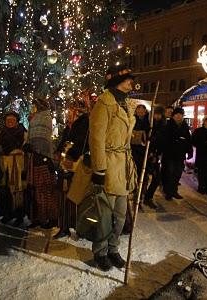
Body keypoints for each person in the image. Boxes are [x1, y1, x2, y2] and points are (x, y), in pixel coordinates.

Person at [89, 65, 136, 271]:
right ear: (117, 82)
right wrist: (99, 169)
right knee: (105, 215)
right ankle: (100, 251)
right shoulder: (104, 104)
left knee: (120, 214)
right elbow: (96, 139)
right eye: (127, 80)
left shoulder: (126, 103)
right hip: (109, 164)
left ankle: (113, 249)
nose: (131, 83)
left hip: (123, 165)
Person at [55, 99, 90, 238]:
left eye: (72, 110)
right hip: (66, 164)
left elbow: (81, 143)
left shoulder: (84, 123)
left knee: (75, 196)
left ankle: (78, 227)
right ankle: (63, 226)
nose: (69, 112)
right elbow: (65, 140)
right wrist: (60, 150)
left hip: (76, 165)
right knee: (64, 196)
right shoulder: (72, 125)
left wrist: (71, 156)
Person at [26, 97, 58, 229]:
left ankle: (50, 217)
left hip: (42, 157)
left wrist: (34, 148)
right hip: (35, 157)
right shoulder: (36, 118)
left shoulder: (44, 117)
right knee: (36, 189)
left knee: (44, 189)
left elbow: (41, 139)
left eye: (34, 105)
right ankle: (38, 217)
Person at [0, 111, 27, 227]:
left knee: (17, 191)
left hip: (17, 166)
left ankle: (19, 215)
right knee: (5, 190)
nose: (10, 122)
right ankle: (7, 214)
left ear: (16, 121)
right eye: (8, 120)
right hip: (4, 166)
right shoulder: (0, 133)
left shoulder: (23, 132)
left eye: (12, 120)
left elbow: (27, 150)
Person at [161, 107, 193, 200]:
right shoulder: (168, 125)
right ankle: (168, 192)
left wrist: (189, 151)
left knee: (177, 173)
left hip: (180, 154)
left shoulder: (185, 127)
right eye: (177, 114)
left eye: (181, 115)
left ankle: (174, 191)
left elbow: (188, 140)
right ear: (173, 116)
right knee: (169, 173)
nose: (179, 116)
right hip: (169, 154)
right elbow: (164, 140)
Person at [143, 106, 166, 209]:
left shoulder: (163, 125)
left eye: (159, 114)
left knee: (156, 178)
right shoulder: (148, 123)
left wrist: (157, 153)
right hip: (145, 154)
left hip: (155, 155)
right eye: (155, 114)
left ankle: (148, 197)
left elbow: (162, 140)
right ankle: (139, 197)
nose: (157, 116)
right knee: (142, 177)